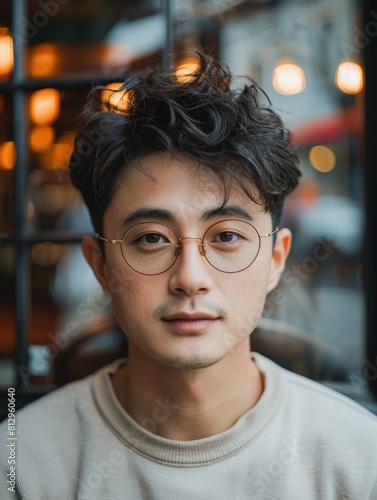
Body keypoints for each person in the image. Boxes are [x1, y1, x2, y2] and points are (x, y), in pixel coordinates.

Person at [1, 53, 377, 499]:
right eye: (152, 239)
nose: (191, 278)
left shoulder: (359, 459)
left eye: (228, 236)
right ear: (100, 266)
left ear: (276, 259)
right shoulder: (21, 463)